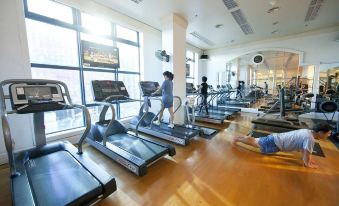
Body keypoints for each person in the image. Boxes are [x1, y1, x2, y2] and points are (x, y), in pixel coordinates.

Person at [232, 123, 332, 168]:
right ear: (321, 132)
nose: (329, 135)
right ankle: (237, 139)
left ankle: (238, 138)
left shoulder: (308, 132)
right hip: (275, 143)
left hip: (276, 139)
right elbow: (306, 152)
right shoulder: (310, 139)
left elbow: (304, 150)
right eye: (328, 133)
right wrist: (307, 163)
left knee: (254, 140)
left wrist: (308, 160)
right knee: (253, 142)